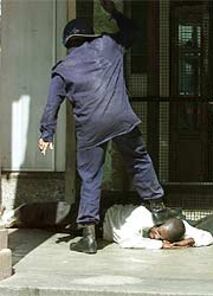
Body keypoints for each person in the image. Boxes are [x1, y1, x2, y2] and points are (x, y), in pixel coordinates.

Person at [38, 0, 177, 255]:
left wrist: (47, 134)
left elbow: (52, 105)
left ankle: (89, 235)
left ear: (68, 42)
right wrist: (113, 12)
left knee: (90, 177)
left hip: (90, 128)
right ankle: (157, 207)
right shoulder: (108, 45)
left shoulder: (63, 69)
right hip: (121, 118)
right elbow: (134, 31)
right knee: (139, 160)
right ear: (89, 35)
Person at [102, 204, 213, 250]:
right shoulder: (140, 219)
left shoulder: (178, 224)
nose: (155, 237)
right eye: (158, 232)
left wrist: (191, 240)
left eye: (161, 238)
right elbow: (127, 242)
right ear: (158, 223)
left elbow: (208, 236)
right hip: (103, 219)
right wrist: (160, 244)